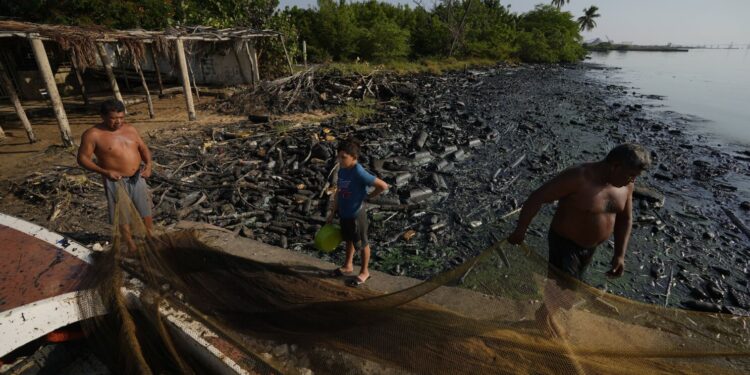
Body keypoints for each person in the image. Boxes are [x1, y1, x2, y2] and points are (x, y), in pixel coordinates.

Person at [507, 143, 651, 335]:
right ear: (615, 166)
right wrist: (520, 231)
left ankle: (545, 314)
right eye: (630, 174)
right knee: (563, 288)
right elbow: (537, 197)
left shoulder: (627, 185)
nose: (632, 179)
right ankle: (543, 317)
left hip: (590, 247)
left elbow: (625, 218)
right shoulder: (578, 177)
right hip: (565, 243)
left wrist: (620, 254)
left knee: (568, 288)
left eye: (635, 176)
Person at [77, 99, 153, 253]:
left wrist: (149, 165)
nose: (118, 122)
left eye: (121, 117)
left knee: (145, 209)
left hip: (138, 176)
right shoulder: (93, 134)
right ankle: (130, 244)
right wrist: (105, 172)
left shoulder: (130, 129)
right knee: (122, 213)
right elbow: (82, 159)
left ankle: (150, 237)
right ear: (103, 116)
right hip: (115, 180)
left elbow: (143, 148)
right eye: (113, 118)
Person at [327, 138, 389, 287]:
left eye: (343, 157)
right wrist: (332, 211)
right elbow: (339, 191)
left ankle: (365, 271)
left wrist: (369, 196)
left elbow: (383, 185)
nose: (340, 160)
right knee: (349, 239)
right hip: (344, 213)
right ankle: (348, 266)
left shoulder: (358, 172)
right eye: (339, 156)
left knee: (362, 243)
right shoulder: (342, 170)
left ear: (354, 158)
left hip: (356, 215)